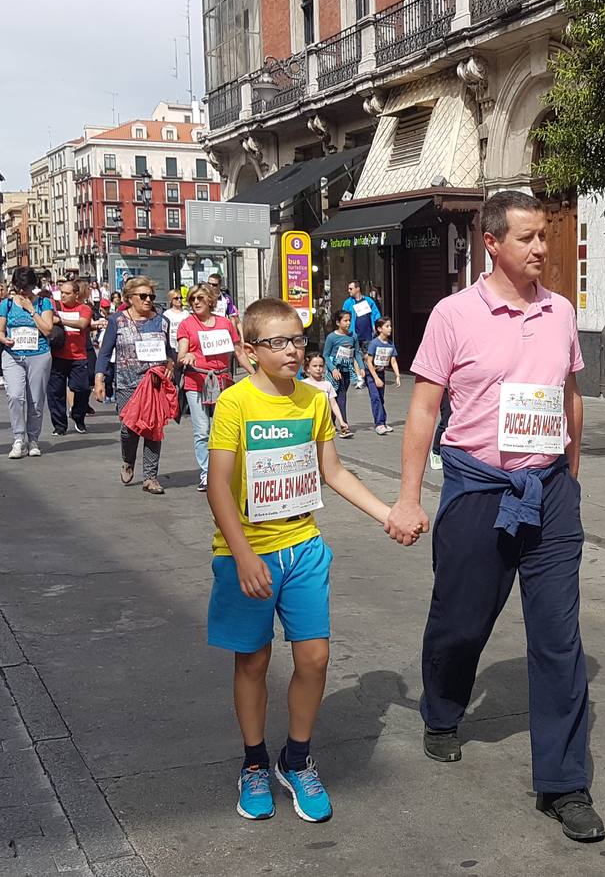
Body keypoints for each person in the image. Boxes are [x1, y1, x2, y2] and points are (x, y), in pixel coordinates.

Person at [384, 191, 604, 842]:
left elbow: (570, 397)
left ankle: (565, 784)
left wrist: (572, 475)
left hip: (549, 492)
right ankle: (443, 711)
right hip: (478, 488)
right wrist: (407, 495)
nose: (541, 249)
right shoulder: (454, 315)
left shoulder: (560, 312)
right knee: (459, 621)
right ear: (492, 242)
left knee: (559, 638)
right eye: (529, 238)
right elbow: (425, 409)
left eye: (545, 238)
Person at [205, 297, 392, 823]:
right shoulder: (235, 404)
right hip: (247, 552)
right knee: (255, 660)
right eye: (279, 342)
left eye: (297, 341)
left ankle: (298, 758)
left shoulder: (312, 401)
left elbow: (332, 471)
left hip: (304, 548)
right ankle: (254, 763)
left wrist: (387, 514)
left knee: (313, 658)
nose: (293, 350)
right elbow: (217, 486)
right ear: (250, 351)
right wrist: (242, 554)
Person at [95, 276, 176, 494]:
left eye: (151, 296)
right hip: (127, 383)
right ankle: (128, 460)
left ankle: (150, 477)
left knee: (152, 429)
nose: (148, 300)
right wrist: (99, 378)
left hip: (153, 382)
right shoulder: (117, 320)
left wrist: (170, 362)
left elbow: (170, 350)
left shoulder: (162, 321)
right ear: (130, 298)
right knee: (129, 429)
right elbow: (104, 351)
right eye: (143, 296)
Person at [177, 284, 253, 492]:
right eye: (192, 299)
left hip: (223, 381)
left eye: (200, 298)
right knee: (202, 430)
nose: (196, 302)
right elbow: (181, 355)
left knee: (224, 430)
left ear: (210, 300)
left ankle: (224, 473)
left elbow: (238, 352)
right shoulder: (186, 324)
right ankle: (206, 474)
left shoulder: (225, 324)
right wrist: (186, 357)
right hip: (196, 381)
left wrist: (254, 373)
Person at [0, 267, 57, 459]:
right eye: (20, 287)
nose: (24, 292)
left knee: (36, 399)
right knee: (14, 396)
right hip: (13, 355)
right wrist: (4, 340)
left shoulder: (44, 303)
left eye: (28, 287)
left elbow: (47, 330)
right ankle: (18, 438)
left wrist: (31, 310)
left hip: (39, 354)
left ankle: (34, 438)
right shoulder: (7, 304)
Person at [49, 279, 102, 436]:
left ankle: (78, 416)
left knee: (82, 388)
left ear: (76, 294)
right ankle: (59, 426)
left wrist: (60, 320)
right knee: (55, 392)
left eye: (67, 293)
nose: (63, 296)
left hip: (78, 356)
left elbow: (82, 324)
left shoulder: (84, 308)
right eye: (62, 293)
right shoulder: (54, 306)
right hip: (57, 355)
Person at [322, 311, 364, 431]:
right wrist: (333, 369)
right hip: (334, 373)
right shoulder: (331, 337)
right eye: (345, 320)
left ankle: (332, 422)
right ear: (337, 322)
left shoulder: (353, 336)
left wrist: (361, 367)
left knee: (339, 398)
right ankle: (343, 424)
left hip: (347, 371)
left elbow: (357, 353)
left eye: (349, 320)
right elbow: (325, 355)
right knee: (339, 398)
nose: (348, 323)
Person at [363, 317, 402, 435]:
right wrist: (375, 378)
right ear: (379, 329)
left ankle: (383, 421)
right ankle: (379, 424)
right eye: (387, 326)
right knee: (375, 398)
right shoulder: (374, 343)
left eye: (390, 326)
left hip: (381, 373)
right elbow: (369, 362)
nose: (390, 328)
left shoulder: (390, 344)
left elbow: (393, 360)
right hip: (372, 374)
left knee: (381, 398)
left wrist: (397, 375)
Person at [300, 353, 352, 435]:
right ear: (307, 368)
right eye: (315, 366)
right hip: (308, 423)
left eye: (321, 366)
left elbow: (334, 404)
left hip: (324, 423)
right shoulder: (302, 385)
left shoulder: (327, 384)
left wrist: (341, 421)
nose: (318, 368)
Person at [341, 281, 382, 347]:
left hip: (368, 336)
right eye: (348, 289)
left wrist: (376, 327)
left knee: (368, 355)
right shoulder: (348, 303)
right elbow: (342, 318)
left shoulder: (368, 300)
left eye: (351, 289)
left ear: (358, 288)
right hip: (353, 336)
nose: (349, 291)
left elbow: (376, 314)